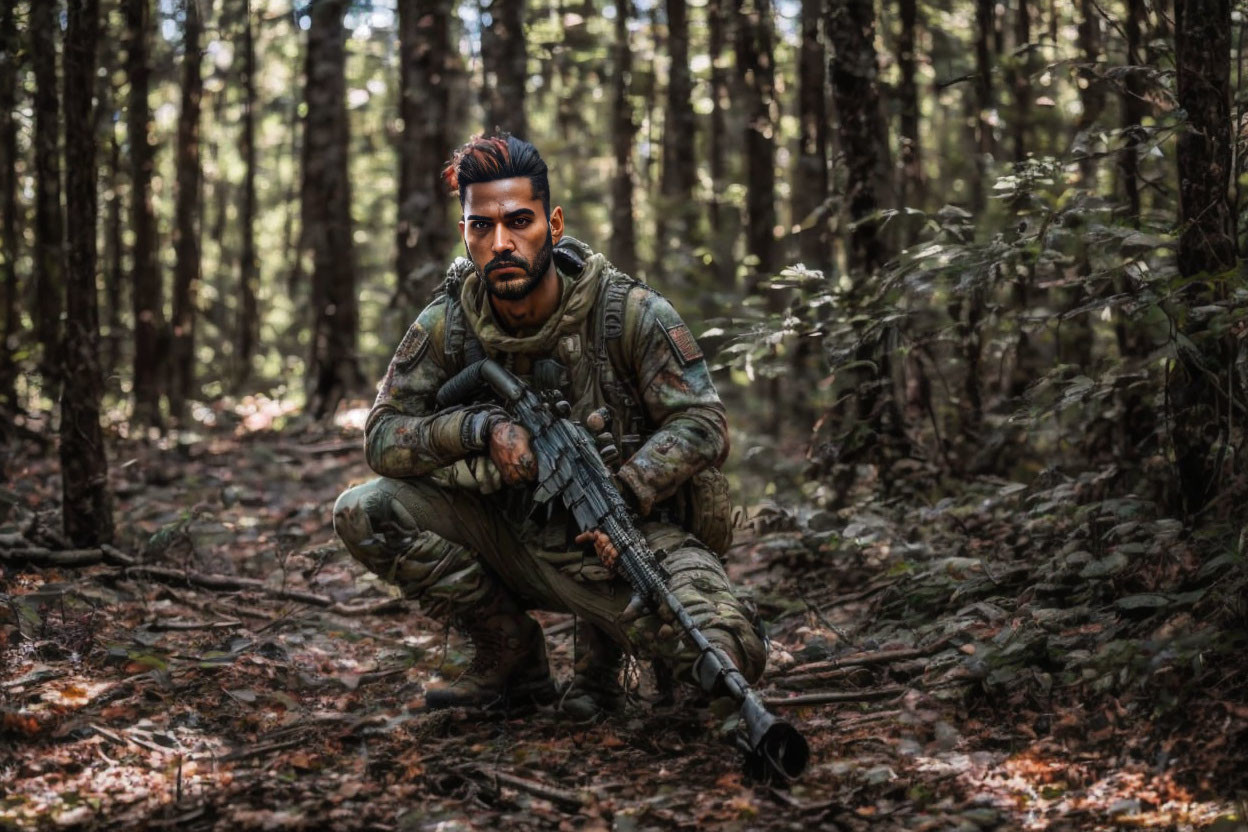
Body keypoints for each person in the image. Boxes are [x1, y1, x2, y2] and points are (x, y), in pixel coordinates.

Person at [333, 134, 765, 719]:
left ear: (553, 223)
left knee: (724, 650)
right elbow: (383, 435)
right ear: (464, 231)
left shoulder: (627, 313)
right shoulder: (450, 321)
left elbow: (703, 422)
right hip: (505, 537)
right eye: (480, 226)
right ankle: (509, 653)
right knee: (365, 509)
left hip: (623, 542)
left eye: (519, 221)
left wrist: (628, 488)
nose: (501, 242)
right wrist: (478, 429)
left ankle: (603, 661)